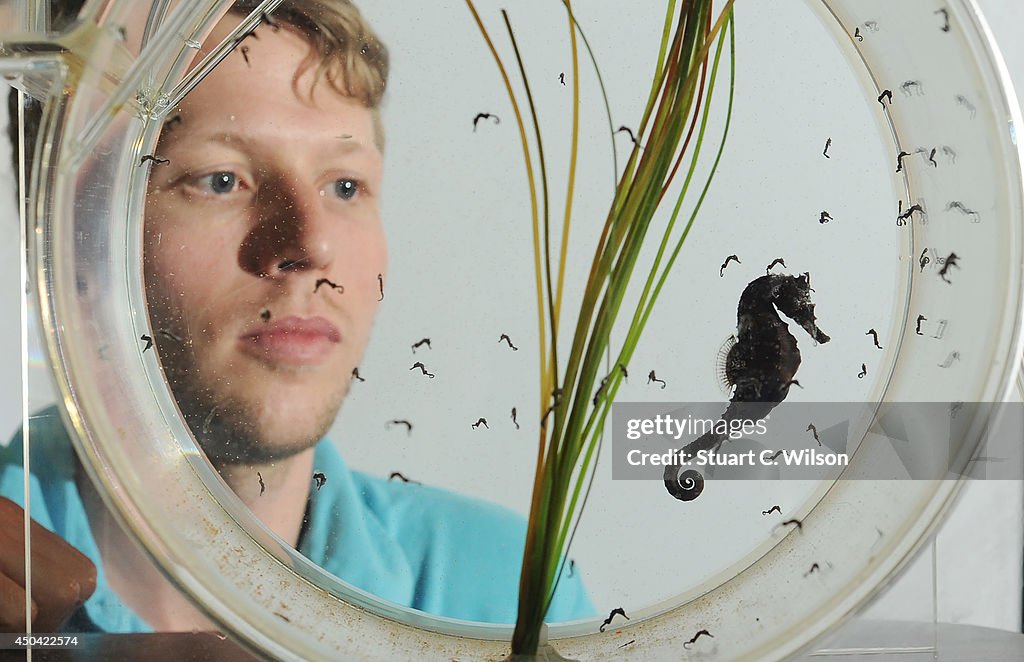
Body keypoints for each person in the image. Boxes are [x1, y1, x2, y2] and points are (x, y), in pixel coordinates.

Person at [0, 0, 593, 633]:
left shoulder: (504, 591)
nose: (312, 246)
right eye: (221, 179)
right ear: (68, 237)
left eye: (344, 185)